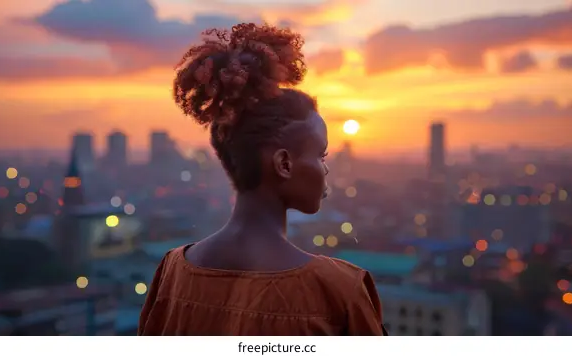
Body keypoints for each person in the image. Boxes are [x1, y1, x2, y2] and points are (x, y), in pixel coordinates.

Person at [138, 23, 386, 336]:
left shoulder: (171, 273)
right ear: (284, 163)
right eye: (321, 156)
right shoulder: (337, 290)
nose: (325, 170)